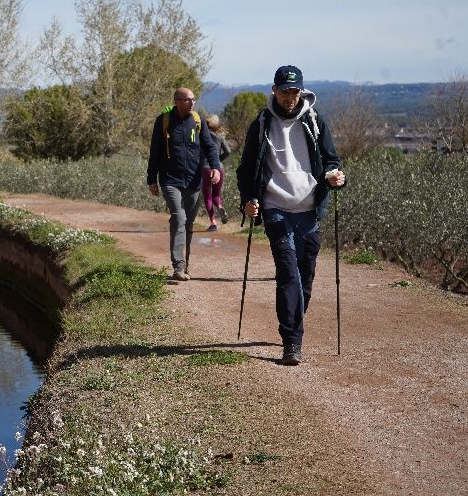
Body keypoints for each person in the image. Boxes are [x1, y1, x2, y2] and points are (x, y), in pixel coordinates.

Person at [235, 65, 346, 366]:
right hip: (275, 207)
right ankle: (292, 341)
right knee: (288, 271)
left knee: (305, 274)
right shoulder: (261, 124)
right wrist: (248, 200)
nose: (290, 97)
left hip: (309, 208)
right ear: (274, 90)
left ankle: (294, 316)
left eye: (294, 91)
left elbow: (332, 160)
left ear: (301, 91)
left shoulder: (314, 120)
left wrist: (337, 176)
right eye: (285, 91)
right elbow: (245, 170)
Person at [147, 87, 221, 282]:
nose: (192, 103)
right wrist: (151, 179)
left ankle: (184, 265)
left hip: (194, 180)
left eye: (193, 100)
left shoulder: (198, 122)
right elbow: (155, 151)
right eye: (187, 100)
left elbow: (209, 147)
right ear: (176, 101)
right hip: (170, 180)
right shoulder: (163, 121)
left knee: (187, 223)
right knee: (179, 217)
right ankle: (178, 266)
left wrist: (215, 167)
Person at [201, 114, 232, 231]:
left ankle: (213, 223)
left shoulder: (201, 135)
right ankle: (220, 206)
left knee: (208, 197)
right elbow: (228, 151)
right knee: (216, 195)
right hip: (219, 168)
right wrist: (219, 160)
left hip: (206, 168)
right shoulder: (219, 136)